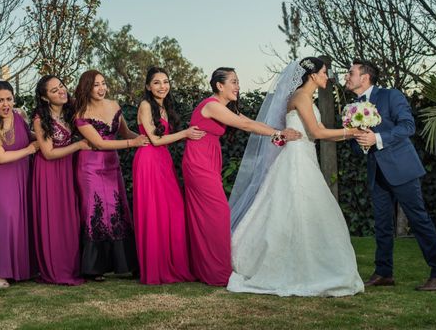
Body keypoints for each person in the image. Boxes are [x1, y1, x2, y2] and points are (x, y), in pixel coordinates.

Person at [227, 58, 364, 296]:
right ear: (312, 75)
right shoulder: (301, 97)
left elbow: (284, 136)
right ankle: (299, 267)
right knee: (300, 209)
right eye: (323, 73)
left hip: (301, 155)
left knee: (299, 211)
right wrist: (351, 132)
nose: (327, 77)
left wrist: (348, 132)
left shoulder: (301, 97)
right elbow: (317, 132)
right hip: (298, 161)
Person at [182, 67, 301, 287]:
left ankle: (206, 267)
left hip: (209, 160)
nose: (238, 86)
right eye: (234, 82)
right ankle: (216, 271)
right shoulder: (211, 106)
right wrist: (278, 134)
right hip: (198, 163)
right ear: (219, 85)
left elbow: (253, 124)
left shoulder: (225, 108)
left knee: (210, 216)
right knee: (218, 214)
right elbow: (245, 125)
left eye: (238, 82)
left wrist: (278, 130)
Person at [345, 59, 436, 291]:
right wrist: (361, 142)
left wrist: (377, 139)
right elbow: (355, 144)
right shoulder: (353, 106)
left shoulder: (391, 96)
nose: (346, 76)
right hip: (377, 172)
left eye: (350, 73)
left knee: (419, 220)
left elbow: (407, 126)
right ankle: (383, 273)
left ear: (365, 77)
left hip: (402, 169)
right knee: (382, 224)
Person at [74, 70, 148, 280]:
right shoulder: (81, 113)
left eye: (103, 83)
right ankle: (94, 267)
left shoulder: (114, 105)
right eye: (96, 85)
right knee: (95, 211)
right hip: (90, 167)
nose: (101, 88)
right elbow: (99, 143)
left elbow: (126, 133)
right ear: (86, 87)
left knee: (117, 209)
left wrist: (147, 140)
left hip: (112, 165)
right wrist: (132, 144)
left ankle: (127, 264)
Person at [133, 67, 203, 284]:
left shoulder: (164, 106)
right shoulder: (145, 105)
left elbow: (165, 140)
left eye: (165, 82)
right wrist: (185, 133)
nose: (162, 86)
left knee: (172, 210)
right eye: (156, 82)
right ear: (147, 86)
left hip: (163, 159)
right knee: (154, 212)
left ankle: (172, 263)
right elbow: (154, 140)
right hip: (148, 161)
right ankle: (156, 267)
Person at [0, 81, 38, 288]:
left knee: (21, 219)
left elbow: (30, 136)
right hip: (2, 178)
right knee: (5, 220)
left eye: (9, 99)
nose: (5, 104)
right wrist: (30, 150)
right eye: (0, 100)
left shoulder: (20, 116)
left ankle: (20, 268)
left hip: (23, 174)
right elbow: (0, 157)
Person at [32, 75, 91, 285]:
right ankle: (54, 268)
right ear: (45, 97)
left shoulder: (70, 113)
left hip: (67, 168)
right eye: (54, 90)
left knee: (69, 218)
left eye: (62, 86)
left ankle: (72, 265)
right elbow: (47, 153)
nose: (61, 91)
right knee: (53, 218)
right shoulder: (40, 118)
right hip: (48, 171)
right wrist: (78, 146)